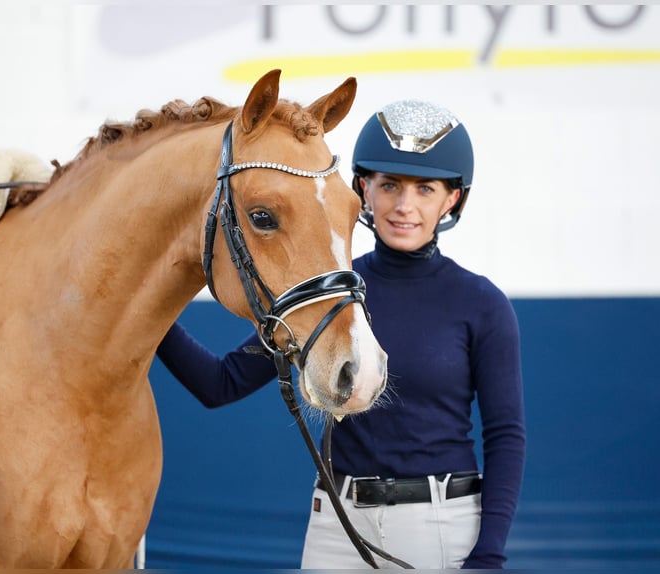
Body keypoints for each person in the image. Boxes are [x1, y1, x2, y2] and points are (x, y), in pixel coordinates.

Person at [155, 99, 526, 569]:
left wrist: (489, 553)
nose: (404, 205)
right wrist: (146, 311)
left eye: (425, 189)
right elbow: (220, 384)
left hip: (438, 526)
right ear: (362, 190)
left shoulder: (482, 304)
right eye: (389, 185)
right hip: (337, 523)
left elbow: (506, 436)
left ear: (451, 199)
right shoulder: (325, 297)